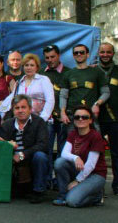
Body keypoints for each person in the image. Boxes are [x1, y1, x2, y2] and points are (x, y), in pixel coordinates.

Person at [0, 94, 50, 204]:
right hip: (12, 160)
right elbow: (2, 147)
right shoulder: (6, 125)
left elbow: (43, 144)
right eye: (17, 108)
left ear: (30, 109)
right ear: (13, 110)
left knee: (40, 156)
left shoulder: (39, 122)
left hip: (31, 158)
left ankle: (38, 191)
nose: (20, 111)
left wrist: (22, 155)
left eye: (23, 107)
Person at [53, 105, 107, 207]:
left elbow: (91, 165)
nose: (80, 119)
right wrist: (76, 157)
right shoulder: (73, 134)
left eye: (85, 117)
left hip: (95, 175)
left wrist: (77, 181)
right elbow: (64, 153)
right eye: (77, 117)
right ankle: (63, 196)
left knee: (73, 201)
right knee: (59, 162)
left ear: (90, 120)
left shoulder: (95, 136)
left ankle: (97, 197)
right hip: (80, 170)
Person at [94, 42, 118, 195]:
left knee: (117, 153)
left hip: (115, 119)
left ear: (113, 53)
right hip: (96, 119)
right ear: (98, 53)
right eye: (102, 52)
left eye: (108, 52)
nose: (105, 55)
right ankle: (96, 184)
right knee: (95, 153)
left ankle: (117, 184)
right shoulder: (93, 71)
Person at [59, 44, 109, 133]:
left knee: (94, 144)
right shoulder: (68, 74)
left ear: (87, 54)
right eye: (76, 53)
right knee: (72, 145)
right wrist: (62, 113)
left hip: (90, 114)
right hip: (72, 116)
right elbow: (63, 95)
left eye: (82, 52)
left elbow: (106, 92)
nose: (79, 54)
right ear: (73, 55)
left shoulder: (96, 72)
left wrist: (97, 104)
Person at [40, 44, 71, 182]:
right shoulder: (41, 73)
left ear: (59, 55)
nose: (50, 60)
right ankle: (47, 179)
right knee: (46, 149)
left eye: (52, 57)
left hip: (64, 118)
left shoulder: (69, 72)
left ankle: (60, 180)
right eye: (47, 57)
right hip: (47, 118)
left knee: (63, 151)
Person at [0, 53, 54, 122]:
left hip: (41, 121)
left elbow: (50, 100)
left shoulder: (43, 80)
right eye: (26, 65)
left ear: (37, 67)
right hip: (22, 122)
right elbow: (11, 99)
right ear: (23, 67)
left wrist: (42, 119)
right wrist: (1, 109)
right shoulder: (19, 82)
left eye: (32, 65)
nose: (29, 68)